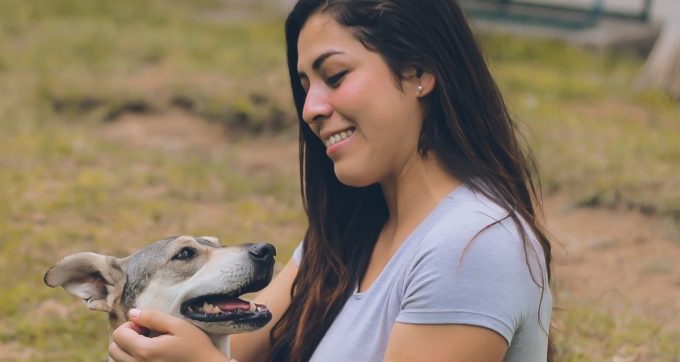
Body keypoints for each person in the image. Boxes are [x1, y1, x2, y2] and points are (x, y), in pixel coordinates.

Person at [108, 0, 554, 360]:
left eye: (335, 76)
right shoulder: (350, 233)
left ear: (418, 72)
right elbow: (233, 346)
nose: (310, 110)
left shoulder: (475, 246)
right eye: (305, 87)